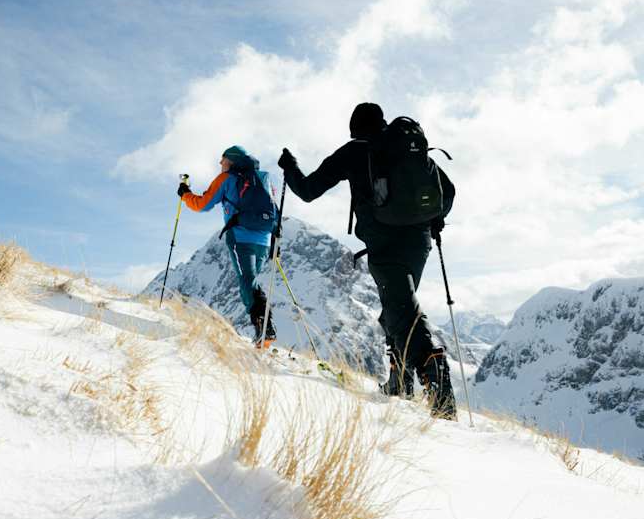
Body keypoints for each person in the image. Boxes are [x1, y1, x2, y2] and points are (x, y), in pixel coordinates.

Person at [277, 103, 457, 419]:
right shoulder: (408, 150)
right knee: (396, 307)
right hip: (419, 243)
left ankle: (437, 382)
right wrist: (435, 219)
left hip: (384, 245)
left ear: (354, 128)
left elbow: (307, 191)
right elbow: (449, 192)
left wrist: (289, 166)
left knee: (402, 311)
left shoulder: (354, 151)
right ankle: (399, 382)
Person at [178, 145, 277, 348]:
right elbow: (273, 209)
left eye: (222, 160)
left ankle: (264, 327)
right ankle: (264, 327)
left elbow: (202, 204)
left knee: (246, 282)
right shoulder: (264, 179)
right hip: (265, 239)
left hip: (240, 237)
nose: (220, 164)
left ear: (231, 161)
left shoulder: (226, 179)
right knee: (251, 282)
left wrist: (185, 194)